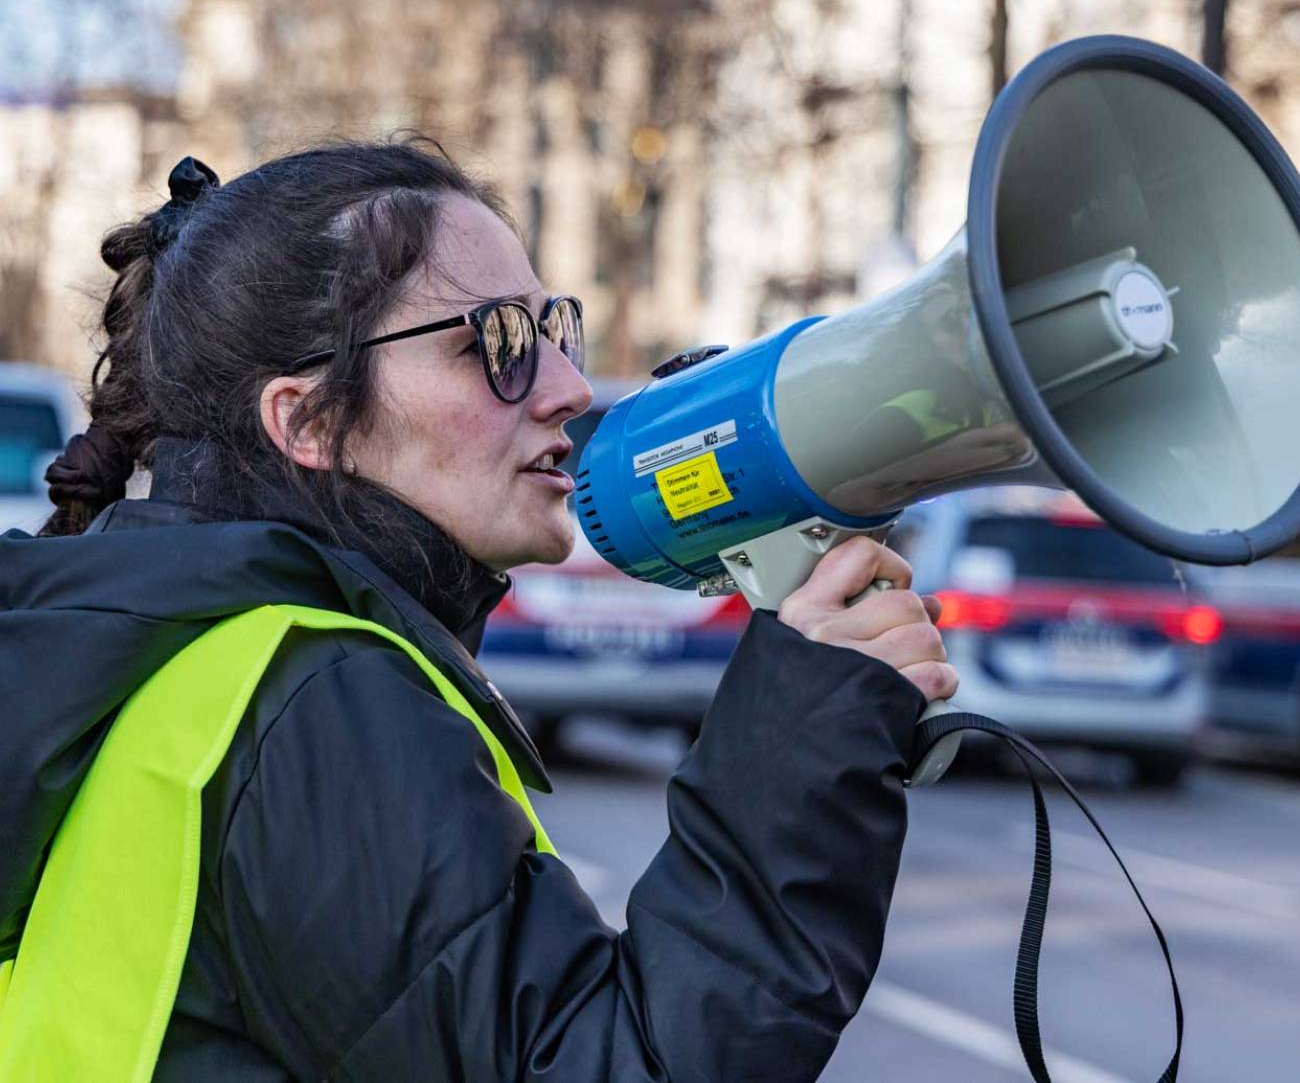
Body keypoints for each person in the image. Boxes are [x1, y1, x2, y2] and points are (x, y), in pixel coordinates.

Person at [0, 140, 957, 1081]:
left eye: (555, 330)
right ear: (309, 421)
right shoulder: (309, 696)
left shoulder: (169, 652)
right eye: (494, 343)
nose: (570, 390)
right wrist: (805, 741)